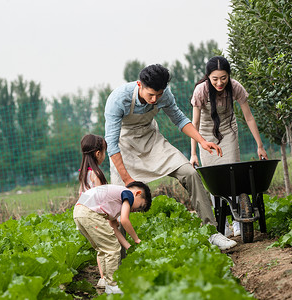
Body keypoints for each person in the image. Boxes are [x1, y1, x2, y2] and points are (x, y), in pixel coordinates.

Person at [104, 64, 237, 250]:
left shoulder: (163, 95)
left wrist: (202, 141)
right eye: (150, 94)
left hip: (151, 140)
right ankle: (121, 256)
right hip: (124, 147)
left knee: (190, 173)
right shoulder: (118, 99)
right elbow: (111, 143)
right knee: (120, 200)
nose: (154, 99)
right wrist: (127, 180)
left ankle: (212, 232)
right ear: (139, 85)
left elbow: (179, 119)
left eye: (158, 95)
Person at [190, 56, 268, 237]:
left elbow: (248, 117)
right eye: (215, 78)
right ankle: (221, 224)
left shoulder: (235, 87)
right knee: (214, 181)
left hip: (228, 133)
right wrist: (194, 153)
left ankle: (239, 221)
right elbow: (194, 124)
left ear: (229, 76)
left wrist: (260, 145)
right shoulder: (200, 91)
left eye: (223, 78)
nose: (219, 82)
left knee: (234, 176)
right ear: (208, 76)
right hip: (206, 136)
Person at [73, 181, 152, 295]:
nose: (136, 211)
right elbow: (124, 220)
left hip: (79, 212)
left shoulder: (112, 202)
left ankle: (105, 281)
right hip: (89, 213)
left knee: (103, 248)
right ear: (137, 193)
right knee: (112, 249)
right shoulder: (128, 194)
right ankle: (113, 285)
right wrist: (136, 239)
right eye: (140, 207)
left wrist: (128, 247)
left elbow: (114, 229)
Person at [78, 134, 108, 287]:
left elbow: (80, 196)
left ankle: (103, 278)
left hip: (80, 215)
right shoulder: (96, 175)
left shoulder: (84, 174)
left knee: (100, 247)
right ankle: (108, 279)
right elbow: (102, 200)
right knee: (110, 246)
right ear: (98, 153)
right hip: (93, 216)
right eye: (104, 152)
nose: (104, 156)